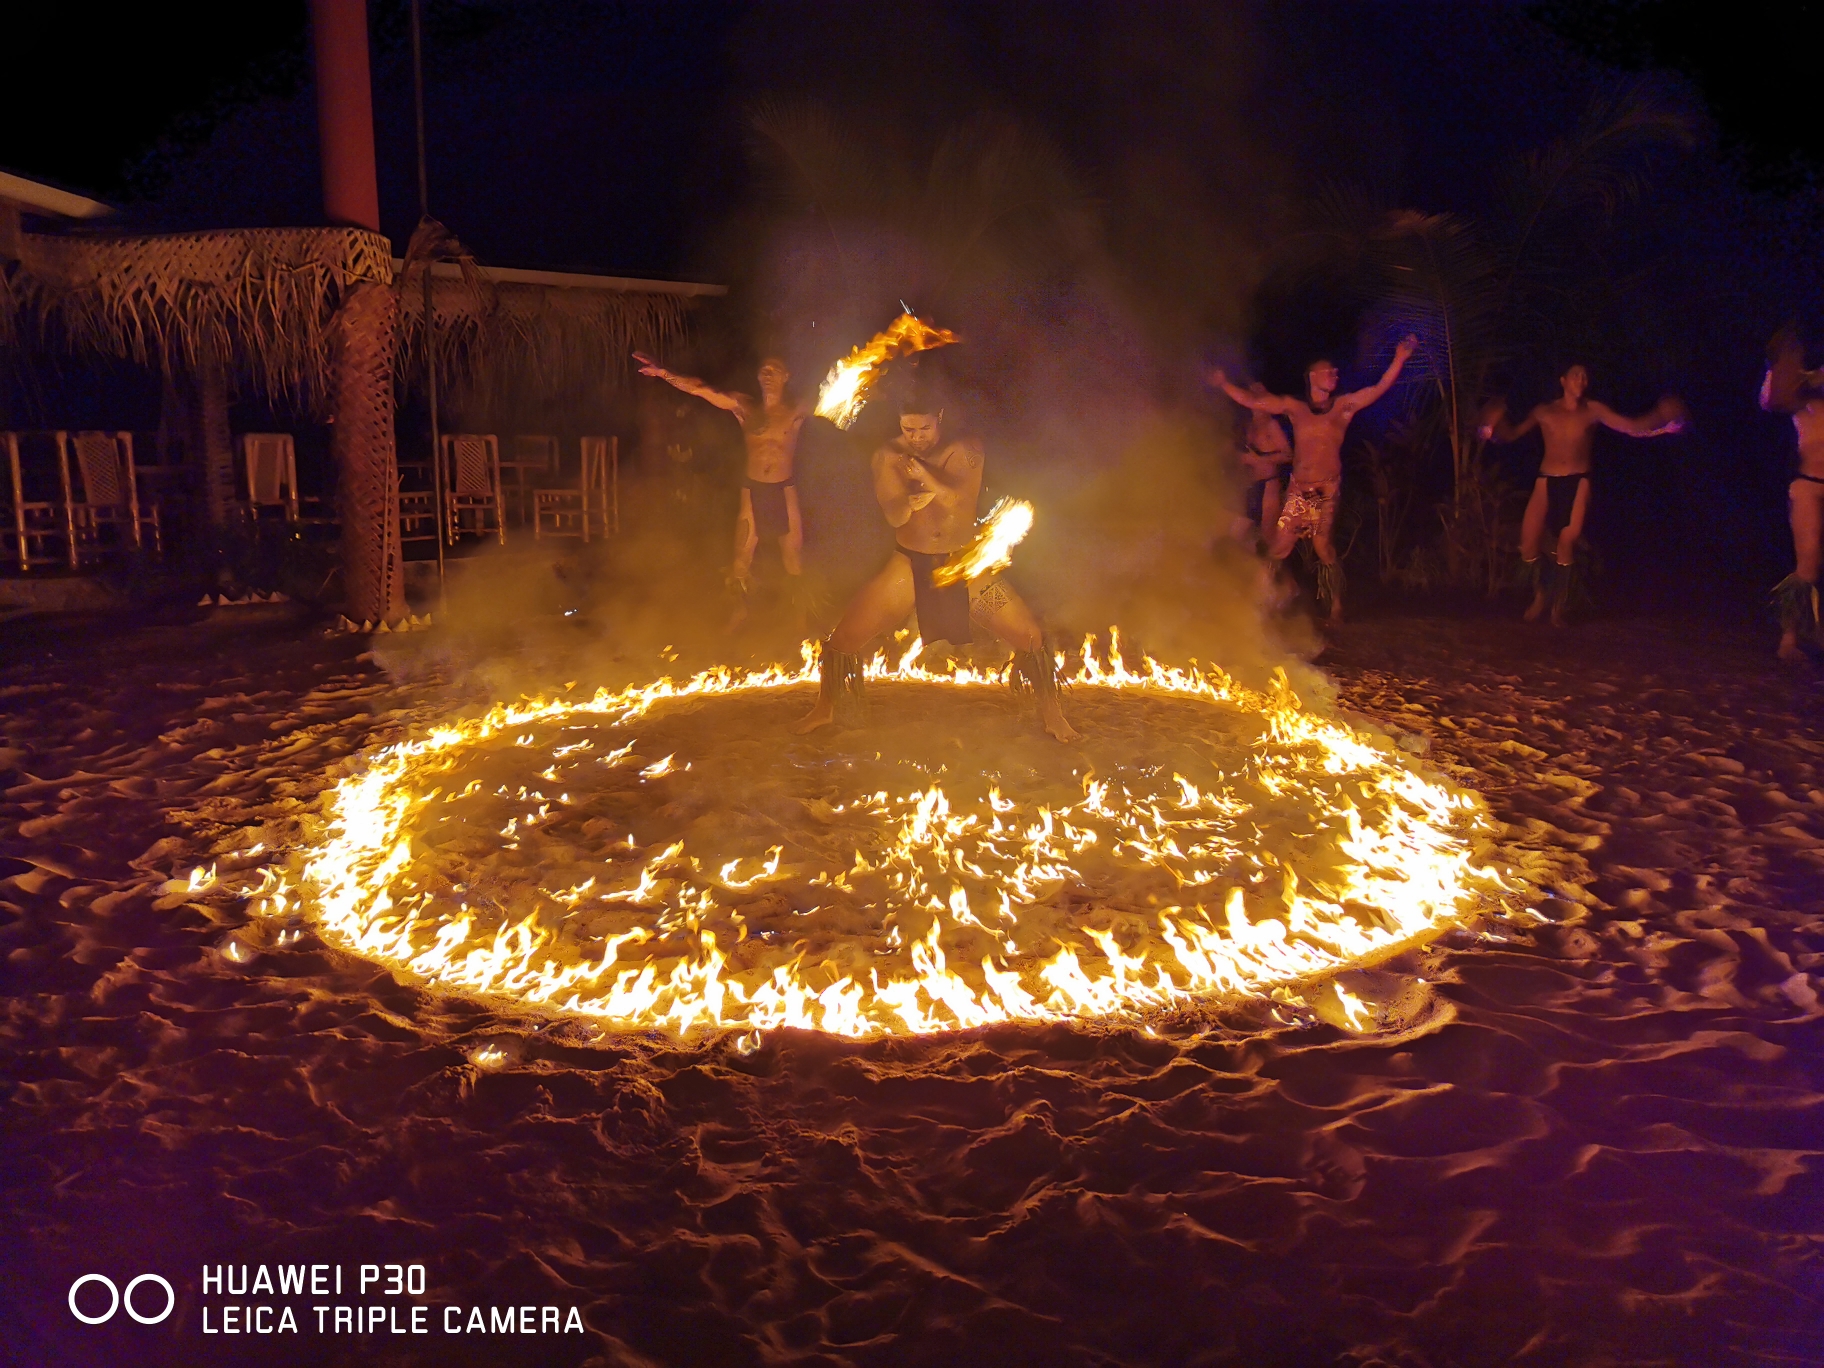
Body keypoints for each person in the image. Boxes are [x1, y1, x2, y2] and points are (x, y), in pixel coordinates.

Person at [792, 390, 1078, 741]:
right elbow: (894, 516)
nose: (916, 438)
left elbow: (960, 497)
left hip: (964, 564)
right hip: (909, 563)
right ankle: (825, 709)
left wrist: (924, 477)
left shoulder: (965, 449)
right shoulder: (887, 457)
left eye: (923, 429)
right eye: (908, 430)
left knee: (1030, 636)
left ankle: (1053, 715)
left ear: (938, 417)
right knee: (844, 639)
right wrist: (909, 504)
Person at [1211, 336, 1417, 626]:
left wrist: (1399, 359)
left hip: (1326, 488)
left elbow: (1378, 389)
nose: (1335, 375)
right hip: (1299, 489)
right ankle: (1261, 604)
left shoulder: (1343, 407)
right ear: (1312, 377)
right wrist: (1224, 385)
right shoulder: (1296, 408)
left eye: (1336, 372)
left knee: (1324, 549)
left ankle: (1336, 607)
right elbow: (1258, 401)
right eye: (1328, 372)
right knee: (1278, 548)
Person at [1481, 363, 1686, 626]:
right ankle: (1541, 595)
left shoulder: (1593, 410)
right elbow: (1510, 435)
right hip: (1547, 481)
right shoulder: (1543, 412)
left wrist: (1660, 418)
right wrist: (1492, 425)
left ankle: (1558, 608)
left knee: (1567, 541)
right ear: (1563, 380)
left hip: (1579, 482)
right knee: (1529, 544)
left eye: (1585, 376)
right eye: (1576, 374)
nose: (1582, 379)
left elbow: (1631, 427)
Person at [633, 350, 810, 627]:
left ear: (786, 377)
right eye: (763, 369)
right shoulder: (744, 407)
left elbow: (844, 396)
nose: (767, 374)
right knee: (741, 560)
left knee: (794, 559)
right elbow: (701, 389)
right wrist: (663, 373)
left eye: (774, 370)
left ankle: (801, 619)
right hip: (752, 491)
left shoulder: (797, 409)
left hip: (784, 490)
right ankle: (738, 612)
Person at [1759, 327, 1824, 660]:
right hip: (1809, 484)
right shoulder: (1802, 396)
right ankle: (1789, 638)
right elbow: (1769, 400)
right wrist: (1776, 365)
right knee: (1809, 563)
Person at [1232, 389, 1292, 547]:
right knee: (1245, 529)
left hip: (1269, 484)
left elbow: (1288, 455)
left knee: (1267, 534)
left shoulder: (1271, 424)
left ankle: (1271, 568)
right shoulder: (1250, 425)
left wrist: (1259, 459)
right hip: (1251, 483)